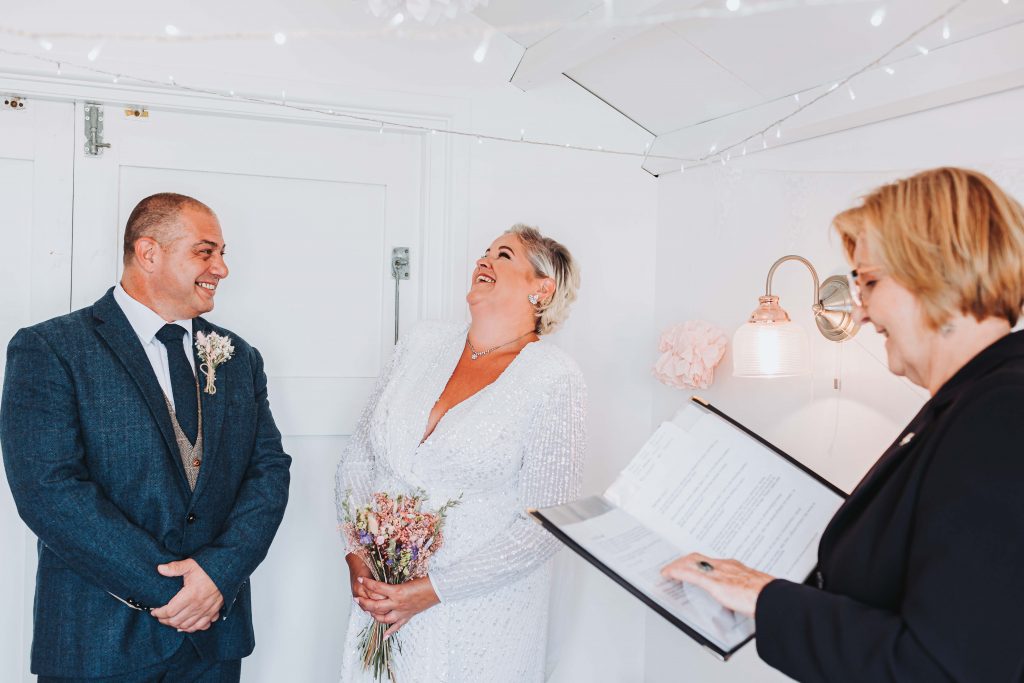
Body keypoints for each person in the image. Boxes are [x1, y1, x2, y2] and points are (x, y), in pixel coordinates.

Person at [661, 167, 1024, 681]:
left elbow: (941, 668)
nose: (863, 308)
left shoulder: (1002, 413)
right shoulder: (967, 402)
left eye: (870, 281)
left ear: (941, 273)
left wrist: (766, 599)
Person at [1, 193, 291, 681]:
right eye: (205, 251)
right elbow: (48, 492)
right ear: (149, 252)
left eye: (223, 253)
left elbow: (268, 472)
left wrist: (219, 574)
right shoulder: (51, 348)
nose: (221, 268)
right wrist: (173, 592)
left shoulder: (239, 357)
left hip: (214, 640)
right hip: (98, 642)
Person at [335, 224, 585, 682]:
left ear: (542, 289)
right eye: (485, 252)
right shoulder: (421, 343)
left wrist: (432, 590)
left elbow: (548, 524)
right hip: (384, 595)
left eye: (504, 255)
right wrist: (358, 555)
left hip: (481, 611)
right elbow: (359, 457)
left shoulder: (553, 376)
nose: (483, 260)